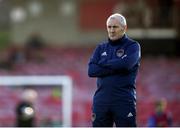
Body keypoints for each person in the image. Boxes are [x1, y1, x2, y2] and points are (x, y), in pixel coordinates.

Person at [88, 13, 141, 127]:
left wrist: (103, 64)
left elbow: (127, 64)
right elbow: (91, 71)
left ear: (124, 28)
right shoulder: (100, 48)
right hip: (101, 101)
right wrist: (117, 65)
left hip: (123, 100)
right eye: (109, 27)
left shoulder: (133, 46)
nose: (111, 30)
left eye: (115, 27)